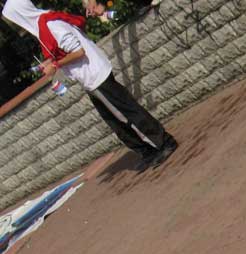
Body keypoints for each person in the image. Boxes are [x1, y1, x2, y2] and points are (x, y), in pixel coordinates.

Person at [1, 0, 177, 168]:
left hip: (95, 75)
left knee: (126, 113)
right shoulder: (45, 24)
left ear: (20, 14)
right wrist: (51, 63)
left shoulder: (50, 25)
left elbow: (78, 52)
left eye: (14, 20)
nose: (16, 25)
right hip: (90, 78)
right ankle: (146, 151)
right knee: (115, 121)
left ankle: (164, 143)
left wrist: (55, 65)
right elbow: (63, 50)